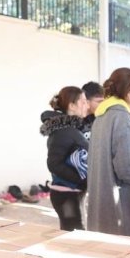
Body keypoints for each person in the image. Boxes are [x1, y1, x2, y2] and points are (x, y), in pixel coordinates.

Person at [86, 67, 130, 240]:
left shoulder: (101, 117)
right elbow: (128, 169)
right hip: (125, 210)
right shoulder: (122, 118)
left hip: (104, 207)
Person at [40, 86, 90, 231]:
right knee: (74, 237)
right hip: (66, 194)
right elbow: (54, 164)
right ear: (72, 106)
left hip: (71, 192)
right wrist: (80, 180)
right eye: (83, 101)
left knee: (73, 235)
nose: (87, 105)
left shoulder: (72, 129)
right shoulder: (64, 131)